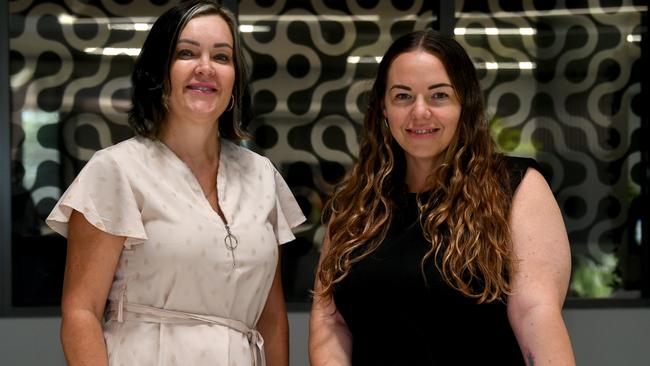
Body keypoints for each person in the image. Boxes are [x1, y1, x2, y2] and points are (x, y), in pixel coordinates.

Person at [46, 1, 305, 365]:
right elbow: (80, 313)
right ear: (159, 71)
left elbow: (272, 317)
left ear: (235, 79)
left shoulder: (262, 175)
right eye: (186, 53)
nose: (205, 68)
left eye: (222, 56)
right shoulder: (116, 170)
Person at [309, 29, 575, 365]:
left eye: (439, 96)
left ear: (465, 104)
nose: (420, 112)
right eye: (403, 96)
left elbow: (535, 313)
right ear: (383, 110)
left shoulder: (515, 187)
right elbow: (330, 320)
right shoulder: (354, 205)